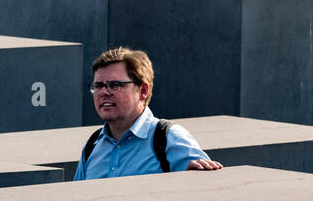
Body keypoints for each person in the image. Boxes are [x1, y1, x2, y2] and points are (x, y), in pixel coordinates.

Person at [73, 47, 222, 180]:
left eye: (115, 85)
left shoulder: (168, 138)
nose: (104, 92)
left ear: (143, 91)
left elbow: (203, 188)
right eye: (98, 86)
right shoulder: (92, 146)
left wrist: (196, 177)